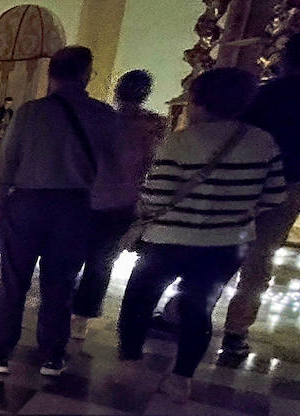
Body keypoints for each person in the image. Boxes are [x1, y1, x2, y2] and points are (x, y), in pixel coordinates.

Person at [117, 68, 285, 399]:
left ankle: (130, 365)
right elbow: (273, 196)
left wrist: (144, 213)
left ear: (201, 102)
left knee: (139, 299)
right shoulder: (262, 142)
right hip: (225, 243)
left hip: (167, 241)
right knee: (199, 308)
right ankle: (181, 379)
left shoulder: (181, 142)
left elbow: (156, 194)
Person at [0, 46, 118, 377]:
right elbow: (112, 169)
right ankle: (52, 354)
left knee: (14, 281)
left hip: (29, 204)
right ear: (87, 74)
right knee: (60, 283)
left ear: (51, 74)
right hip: (76, 206)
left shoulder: (30, 113)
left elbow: (5, 164)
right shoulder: (104, 115)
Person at [220, 31, 300, 358]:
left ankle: (181, 313)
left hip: (247, 181)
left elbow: (236, 133)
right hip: (290, 185)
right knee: (261, 257)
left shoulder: (264, 93)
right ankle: (236, 331)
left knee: (222, 247)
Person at [71, 70, 167, 338]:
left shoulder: (101, 120)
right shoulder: (153, 127)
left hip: (88, 199)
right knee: (101, 263)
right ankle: (81, 317)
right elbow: (151, 165)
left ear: (117, 90)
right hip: (122, 203)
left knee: (75, 257)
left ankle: (63, 306)